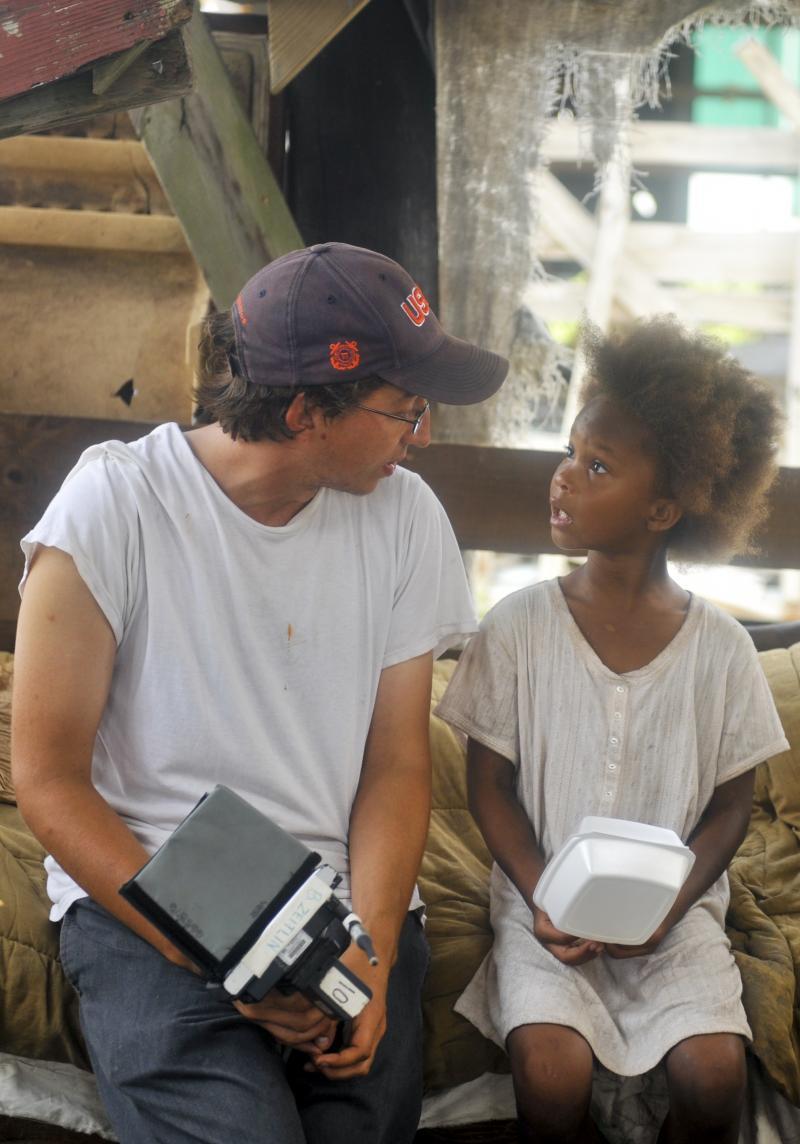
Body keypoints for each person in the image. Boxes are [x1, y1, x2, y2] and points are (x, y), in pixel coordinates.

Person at [11, 241, 508, 1144]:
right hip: (152, 900)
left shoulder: (405, 516)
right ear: (310, 407)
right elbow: (47, 780)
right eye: (408, 408)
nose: (421, 435)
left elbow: (395, 766)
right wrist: (225, 960)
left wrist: (376, 950)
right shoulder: (115, 505)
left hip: (342, 917)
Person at [436, 316, 790, 1144]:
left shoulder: (722, 647)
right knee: (550, 1076)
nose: (563, 479)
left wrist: (670, 907)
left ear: (666, 506)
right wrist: (542, 897)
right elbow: (488, 784)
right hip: (538, 909)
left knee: (715, 1077)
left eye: (596, 467)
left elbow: (732, 809)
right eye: (568, 453)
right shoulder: (519, 623)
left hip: (675, 921)